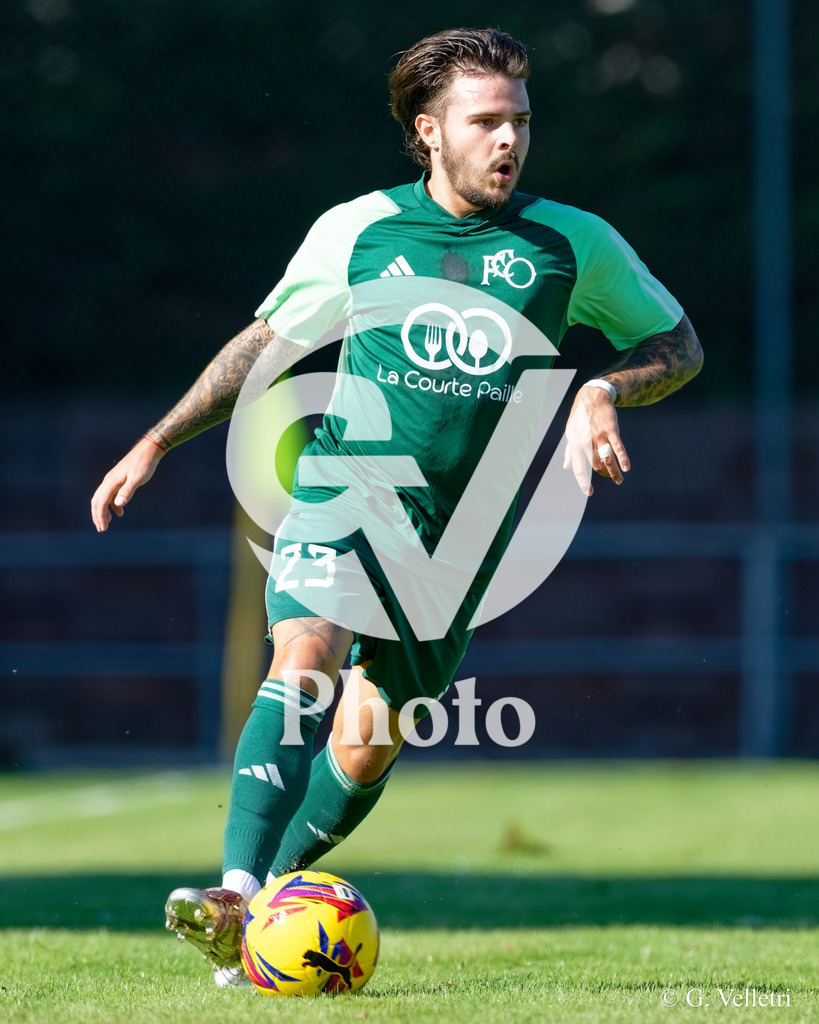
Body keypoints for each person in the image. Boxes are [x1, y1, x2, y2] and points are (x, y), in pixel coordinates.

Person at [91, 26, 702, 985]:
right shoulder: (359, 229)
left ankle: (267, 904)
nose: (509, 139)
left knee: (367, 741)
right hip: (350, 490)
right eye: (485, 121)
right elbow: (267, 342)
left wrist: (601, 389)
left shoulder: (571, 242)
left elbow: (677, 346)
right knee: (303, 659)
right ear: (428, 131)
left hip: (461, 538)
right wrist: (158, 439)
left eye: (519, 121)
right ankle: (236, 889)